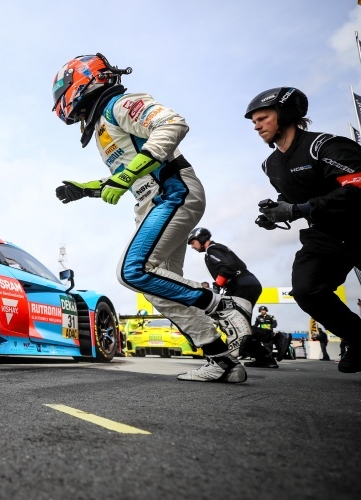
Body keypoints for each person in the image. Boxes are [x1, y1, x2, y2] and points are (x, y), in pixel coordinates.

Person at [52, 53, 252, 383]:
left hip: (175, 193)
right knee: (160, 289)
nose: (68, 107)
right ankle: (223, 361)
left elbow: (172, 123)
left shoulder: (120, 104)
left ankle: (225, 305)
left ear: (82, 82)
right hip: (156, 203)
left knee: (131, 271)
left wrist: (124, 176)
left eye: (65, 94)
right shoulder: (105, 125)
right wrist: (85, 189)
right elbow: (128, 176)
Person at [245, 87, 361, 374]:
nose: (257, 126)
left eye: (263, 118)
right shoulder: (270, 165)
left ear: (285, 115)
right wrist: (275, 213)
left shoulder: (325, 145)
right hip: (325, 235)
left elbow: (357, 186)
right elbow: (293, 199)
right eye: (254, 122)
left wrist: (298, 210)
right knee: (306, 290)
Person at [187, 228, 289, 369]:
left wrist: (218, 284)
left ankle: (275, 337)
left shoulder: (213, 249)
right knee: (239, 326)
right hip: (246, 284)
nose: (192, 246)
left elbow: (228, 266)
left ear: (202, 238)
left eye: (193, 242)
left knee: (234, 325)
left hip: (241, 286)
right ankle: (264, 357)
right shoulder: (218, 248)